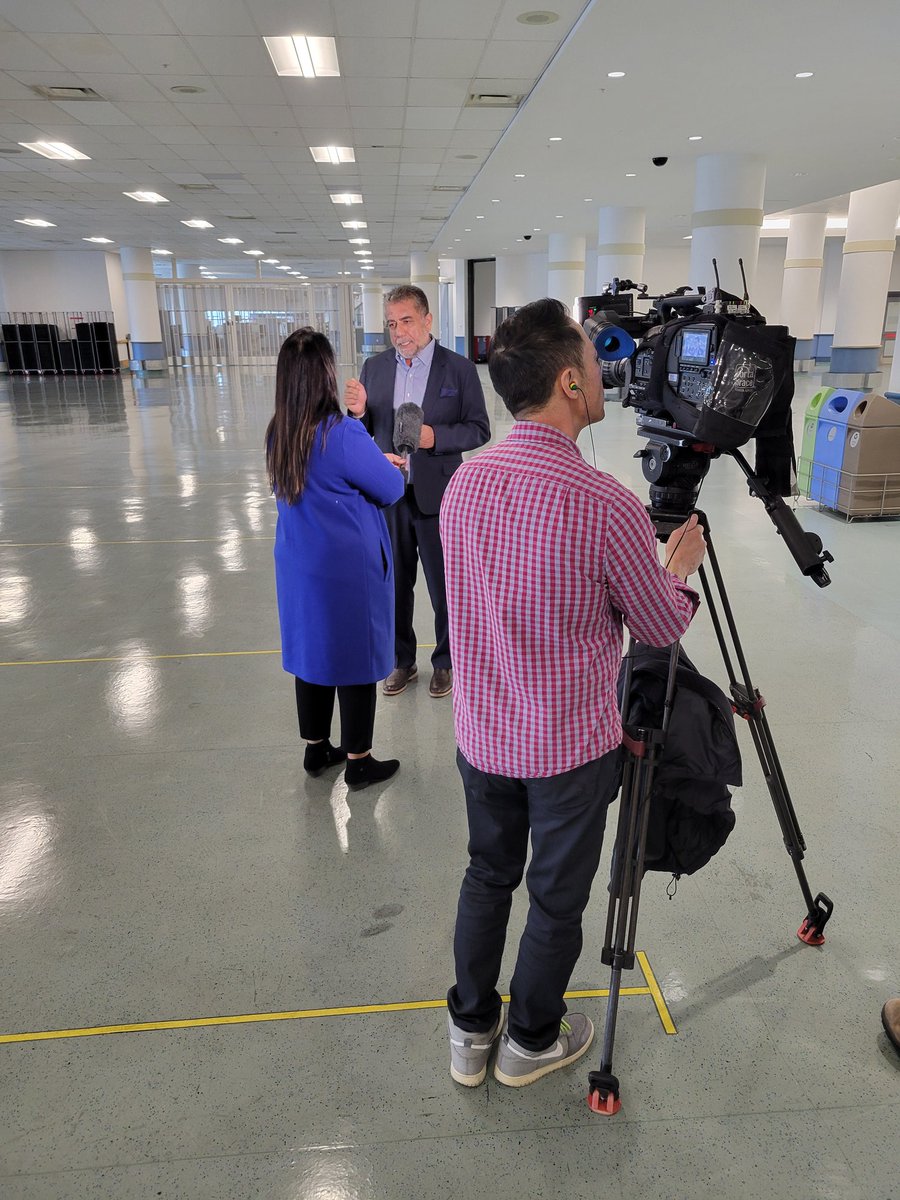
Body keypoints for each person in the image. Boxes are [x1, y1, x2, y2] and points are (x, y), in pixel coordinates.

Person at [440, 298, 707, 1088]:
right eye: (594, 363)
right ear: (567, 382)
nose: (604, 375)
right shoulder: (607, 505)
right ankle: (530, 1039)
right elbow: (659, 625)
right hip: (567, 750)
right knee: (555, 898)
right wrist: (678, 573)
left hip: (484, 736)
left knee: (488, 875)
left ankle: (469, 1031)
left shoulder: (465, 485)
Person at [266, 328, 404, 790]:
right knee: (356, 660)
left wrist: (368, 456)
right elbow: (389, 488)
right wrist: (384, 463)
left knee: (313, 654)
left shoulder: (279, 432)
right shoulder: (342, 433)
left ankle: (316, 747)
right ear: (324, 375)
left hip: (299, 564)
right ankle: (359, 759)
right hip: (345, 570)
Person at [344, 285, 490, 699]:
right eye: (391, 323)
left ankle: (445, 662)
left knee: (445, 587)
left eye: (406, 320)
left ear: (427, 320)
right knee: (394, 585)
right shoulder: (374, 368)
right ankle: (402, 661)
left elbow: (479, 428)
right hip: (388, 494)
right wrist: (357, 413)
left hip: (439, 496)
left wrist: (433, 437)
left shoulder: (458, 369)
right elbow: (362, 430)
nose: (398, 331)